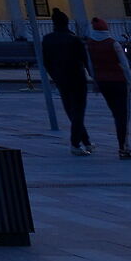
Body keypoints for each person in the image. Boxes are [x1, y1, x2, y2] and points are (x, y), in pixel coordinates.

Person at [39, 9, 93, 155]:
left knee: (71, 111)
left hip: (61, 79)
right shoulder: (74, 39)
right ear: (66, 22)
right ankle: (75, 144)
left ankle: (86, 142)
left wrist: (55, 76)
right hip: (77, 78)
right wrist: (94, 77)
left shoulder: (47, 39)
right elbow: (86, 60)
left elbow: (46, 62)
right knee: (78, 111)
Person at [86, 16, 131, 159]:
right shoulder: (113, 43)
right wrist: (129, 80)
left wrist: (95, 81)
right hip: (119, 81)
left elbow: (90, 66)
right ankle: (123, 147)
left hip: (103, 82)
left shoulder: (89, 45)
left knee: (115, 113)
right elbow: (124, 64)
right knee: (123, 115)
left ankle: (123, 145)